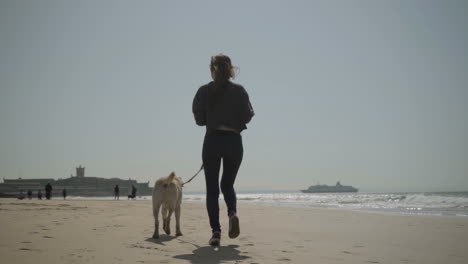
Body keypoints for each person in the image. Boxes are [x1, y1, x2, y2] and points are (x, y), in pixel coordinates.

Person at [192, 54, 254, 246]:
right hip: (234, 141)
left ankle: (216, 232)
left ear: (212, 70)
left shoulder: (204, 91)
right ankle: (232, 213)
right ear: (230, 70)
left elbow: (199, 119)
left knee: (212, 189)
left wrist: (212, 118)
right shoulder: (240, 90)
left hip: (213, 140)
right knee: (227, 184)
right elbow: (248, 115)